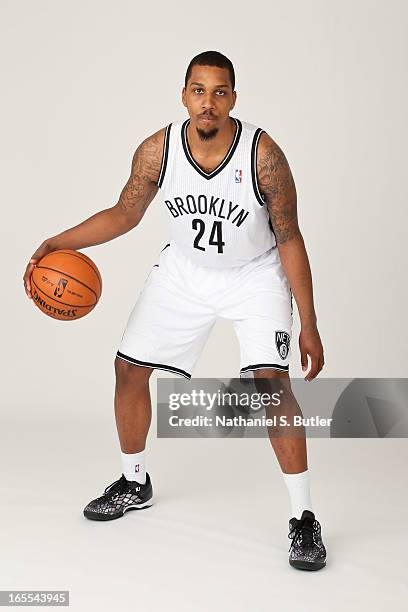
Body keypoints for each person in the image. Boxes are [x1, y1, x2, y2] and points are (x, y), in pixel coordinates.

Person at [23, 50, 326, 570]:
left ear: (233, 98)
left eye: (220, 92)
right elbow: (124, 214)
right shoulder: (158, 150)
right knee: (127, 368)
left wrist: (311, 324)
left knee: (273, 385)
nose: (208, 103)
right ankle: (134, 481)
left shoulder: (263, 155)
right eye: (198, 90)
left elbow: (290, 238)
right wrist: (58, 241)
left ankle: (304, 519)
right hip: (185, 272)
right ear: (184, 93)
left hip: (255, 275)